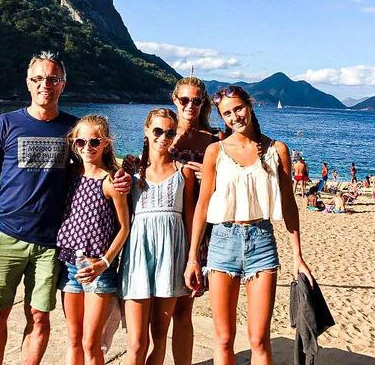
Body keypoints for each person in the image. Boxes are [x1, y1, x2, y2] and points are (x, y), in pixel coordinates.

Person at [0, 51, 132, 365]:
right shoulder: (5, 123)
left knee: (39, 317)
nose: (46, 84)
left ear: (62, 84)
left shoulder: (75, 130)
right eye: (38, 78)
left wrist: (126, 174)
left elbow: (96, 164)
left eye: (53, 78)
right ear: (28, 83)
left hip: (51, 244)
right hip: (5, 236)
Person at [185, 85, 313, 364]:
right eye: (227, 113)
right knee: (223, 338)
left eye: (238, 109)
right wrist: (193, 257)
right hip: (222, 240)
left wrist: (298, 256)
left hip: (261, 241)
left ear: (250, 105)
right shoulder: (215, 151)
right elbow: (203, 206)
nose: (235, 117)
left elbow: (289, 205)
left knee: (258, 339)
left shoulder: (277, 150)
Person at [121, 108, 196, 365]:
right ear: (146, 131)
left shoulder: (183, 171)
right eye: (158, 131)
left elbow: (190, 217)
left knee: (160, 335)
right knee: (137, 343)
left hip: (171, 257)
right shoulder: (131, 171)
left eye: (170, 132)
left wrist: (192, 259)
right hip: (138, 256)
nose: (164, 136)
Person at [55, 115, 130, 365]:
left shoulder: (111, 180)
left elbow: (124, 228)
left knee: (91, 343)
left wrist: (105, 263)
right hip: (69, 266)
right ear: (73, 143)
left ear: (106, 143)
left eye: (95, 141)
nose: (87, 148)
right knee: (74, 339)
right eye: (81, 142)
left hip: (98, 269)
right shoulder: (71, 174)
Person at [167, 76, 220, 365]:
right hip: (163, 226)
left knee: (183, 311)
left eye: (196, 100)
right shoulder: (162, 132)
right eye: (184, 99)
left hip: (197, 229)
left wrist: (215, 176)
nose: (190, 105)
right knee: (158, 309)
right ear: (175, 100)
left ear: (204, 103)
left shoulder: (215, 139)